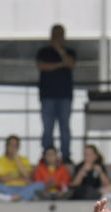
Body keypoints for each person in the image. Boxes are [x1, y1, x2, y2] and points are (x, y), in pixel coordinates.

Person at [36, 24, 76, 164]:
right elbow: (42, 66)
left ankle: (65, 155)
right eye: (56, 34)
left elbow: (70, 64)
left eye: (61, 34)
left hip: (65, 96)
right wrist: (60, 65)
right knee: (47, 127)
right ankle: (48, 154)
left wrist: (60, 51)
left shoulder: (69, 51)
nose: (58, 37)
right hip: (47, 95)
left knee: (65, 126)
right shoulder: (44, 51)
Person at [0, 135, 45, 200]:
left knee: (40, 185)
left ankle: (13, 197)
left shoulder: (24, 159)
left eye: (16, 145)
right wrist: (20, 177)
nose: (13, 147)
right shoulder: (0, 160)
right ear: (7, 146)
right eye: (11, 145)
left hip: (24, 187)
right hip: (8, 187)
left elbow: (27, 176)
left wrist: (17, 159)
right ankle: (21, 197)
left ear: (19, 147)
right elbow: (1, 179)